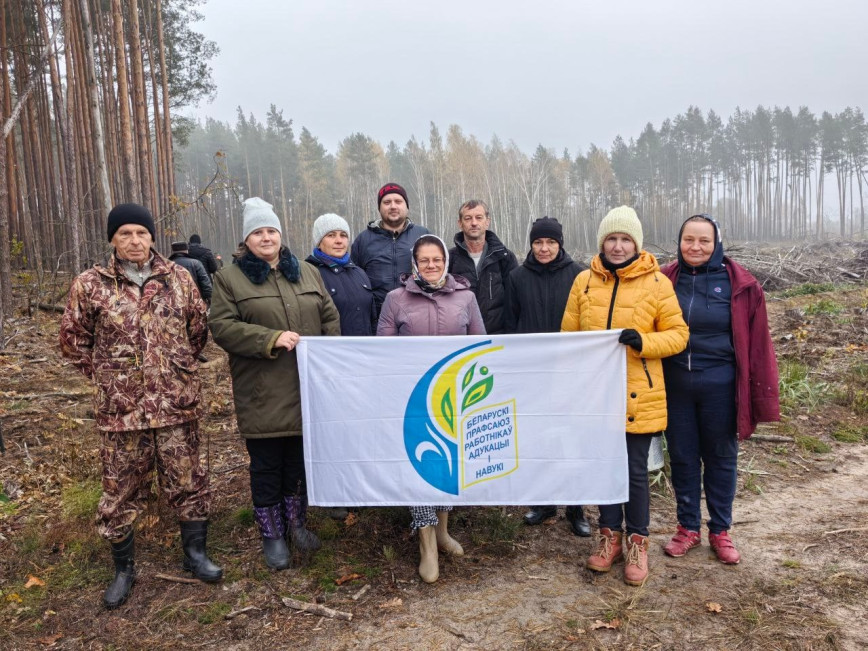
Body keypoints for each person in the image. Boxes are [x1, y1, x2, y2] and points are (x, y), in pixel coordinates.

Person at [59, 203, 222, 609]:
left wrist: (175, 368)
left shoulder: (179, 278)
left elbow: (198, 330)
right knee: (120, 491)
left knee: (188, 479)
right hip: (122, 413)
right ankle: (123, 568)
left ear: (152, 237)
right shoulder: (91, 284)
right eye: (125, 234)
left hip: (175, 405)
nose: (135, 241)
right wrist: (109, 377)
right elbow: (73, 339)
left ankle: (195, 554)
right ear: (113, 239)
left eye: (141, 233)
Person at [209, 198, 340, 571]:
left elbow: (329, 315)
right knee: (267, 465)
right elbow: (223, 327)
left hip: (306, 389)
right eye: (258, 232)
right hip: (262, 391)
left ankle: (296, 523)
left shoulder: (306, 273)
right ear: (246, 239)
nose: (266, 238)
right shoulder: (228, 279)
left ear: (280, 236)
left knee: (297, 463)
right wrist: (270, 339)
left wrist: (327, 355)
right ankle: (272, 535)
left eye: (271, 231)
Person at [561, 206, 688, 586]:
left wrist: (644, 342)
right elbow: (568, 337)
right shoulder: (583, 282)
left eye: (625, 239)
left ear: (636, 243)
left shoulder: (657, 283)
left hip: (639, 395)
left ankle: (638, 541)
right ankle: (608, 536)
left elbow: (679, 334)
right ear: (602, 242)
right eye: (611, 239)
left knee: (633, 471)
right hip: (595, 396)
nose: (618, 246)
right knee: (604, 467)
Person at [660, 214, 779, 565]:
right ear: (679, 242)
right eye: (688, 240)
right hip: (676, 384)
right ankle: (688, 528)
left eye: (704, 241)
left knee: (721, 458)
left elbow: (759, 344)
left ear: (717, 244)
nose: (695, 247)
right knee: (682, 457)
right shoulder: (664, 279)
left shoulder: (740, 283)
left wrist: (763, 395)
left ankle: (721, 530)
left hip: (722, 386)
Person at [377, 234, 485, 583]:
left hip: (453, 398)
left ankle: (442, 529)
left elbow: (479, 346)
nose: (431, 265)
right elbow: (383, 349)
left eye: (436, 259)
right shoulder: (395, 299)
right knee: (419, 463)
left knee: (447, 463)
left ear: (446, 261)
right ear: (414, 264)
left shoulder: (466, 297)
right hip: (412, 400)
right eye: (424, 260)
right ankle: (426, 542)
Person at [504, 217, 591, 536]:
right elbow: (510, 325)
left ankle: (576, 507)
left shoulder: (580, 274)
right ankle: (543, 502)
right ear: (531, 244)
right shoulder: (517, 277)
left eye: (550, 242)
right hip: (532, 374)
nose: (544, 248)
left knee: (572, 439)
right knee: (539, 438)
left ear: (560, 243)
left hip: (569, 373)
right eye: (538, 242)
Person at [306, 213, 376, 520]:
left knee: (358, 429)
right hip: (330, 367)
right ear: (319, 240)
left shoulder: (359, 273)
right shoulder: (309, 273)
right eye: (331, 235)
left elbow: (372, 317)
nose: (338, 240)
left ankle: (359, 487)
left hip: (362, 366)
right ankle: (333, 493)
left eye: (343, 235)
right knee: (333, 431)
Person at [351, 182, 429, 318]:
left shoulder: (423, 236)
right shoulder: (363, 240)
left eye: (398, 201)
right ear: (379, 208)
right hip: (376, 319)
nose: (393, 206)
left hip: (417, 317)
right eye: (387, 202)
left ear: (407, 207)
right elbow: (353, 281)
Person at [448, 199, 517, 334]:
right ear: (460, 223)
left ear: (487, 222)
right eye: (468, 218)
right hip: (461, 338)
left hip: (497, 337)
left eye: (479, 218)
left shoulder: (505, 257)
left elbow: (514, 301)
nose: (474, 223)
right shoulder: (449, 259)